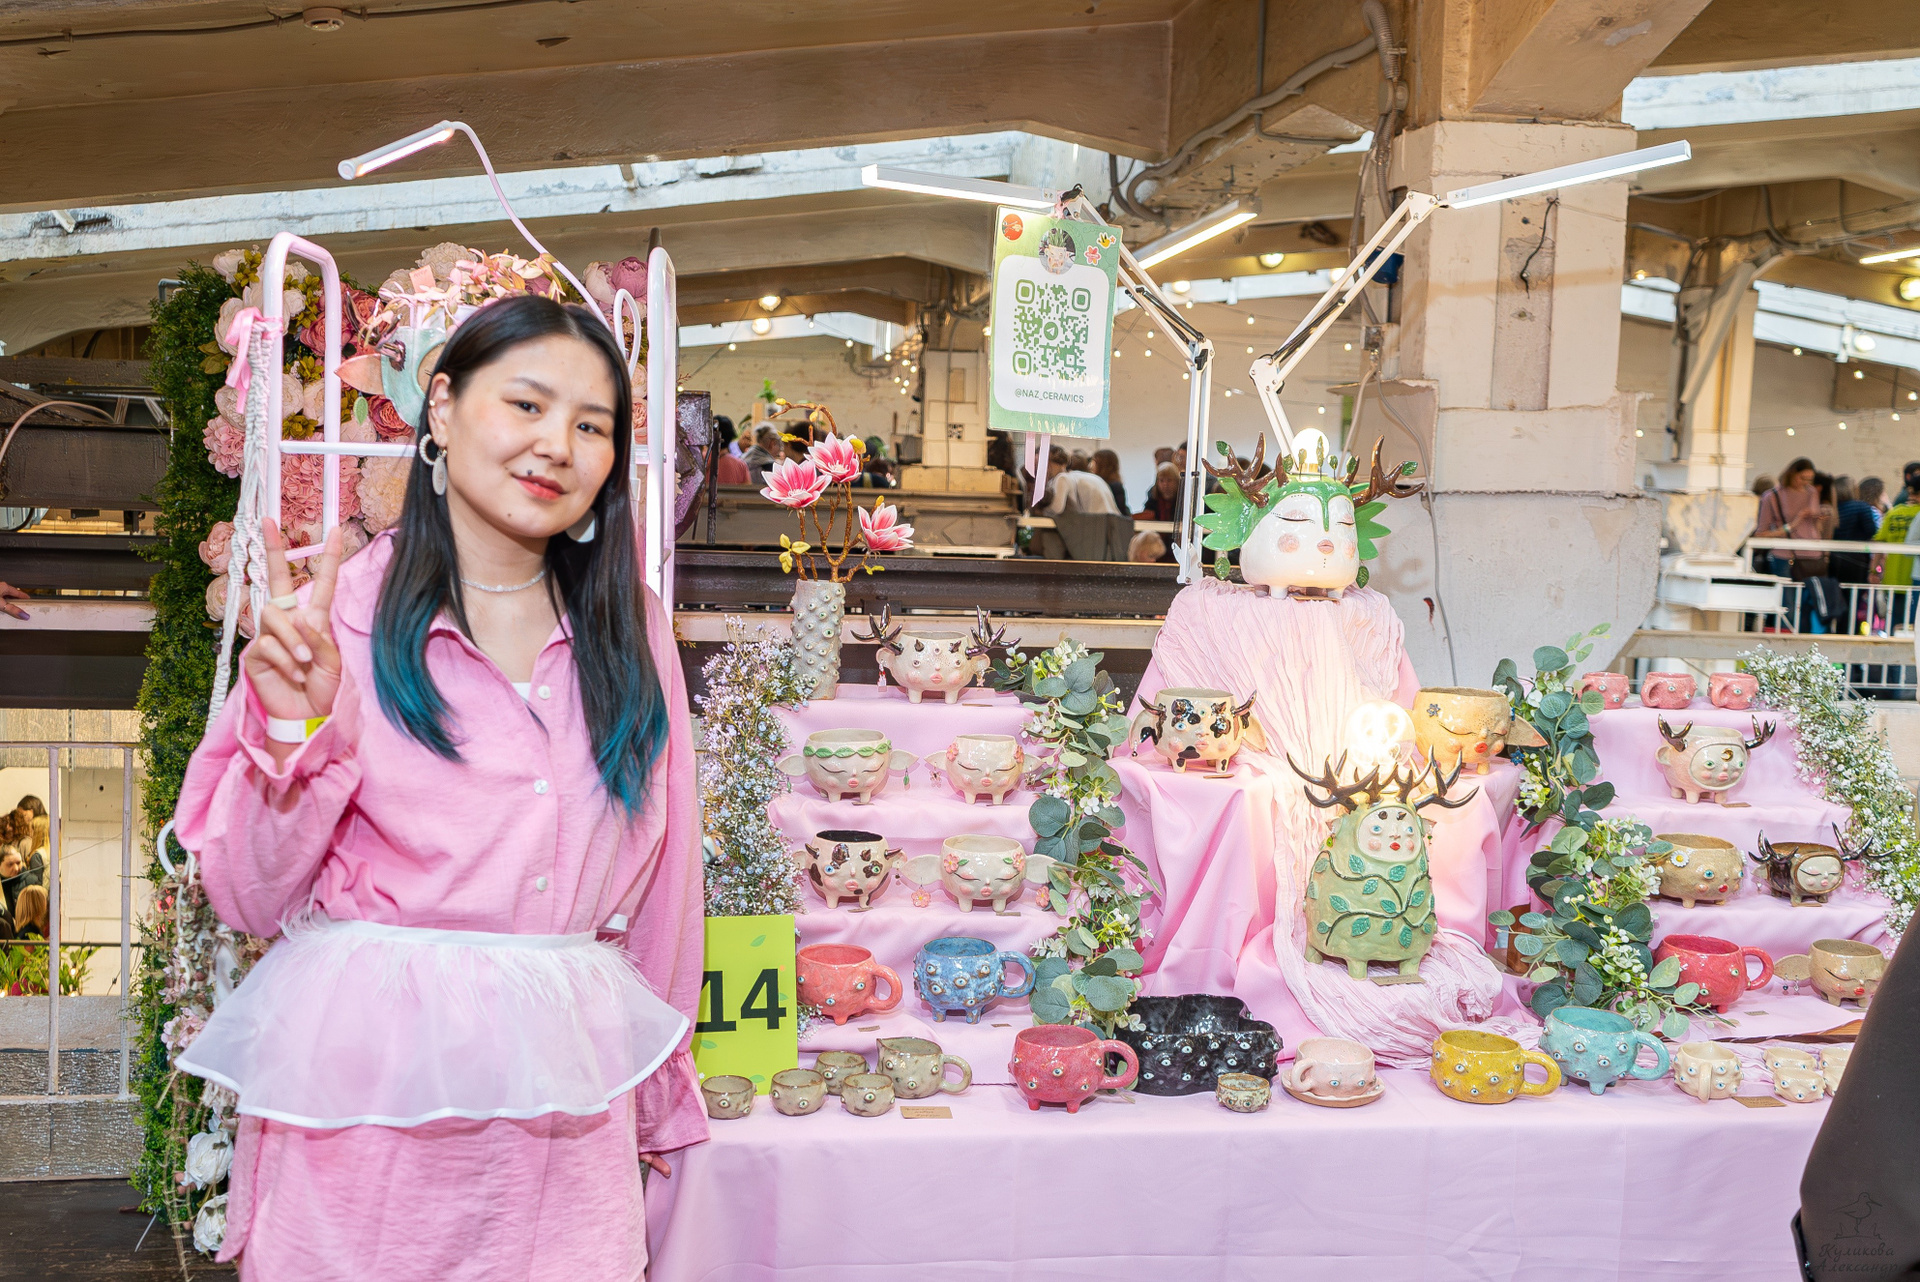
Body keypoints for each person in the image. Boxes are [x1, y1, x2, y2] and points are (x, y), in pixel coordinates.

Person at [172, 295, 706, 1278]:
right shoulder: (339, 619)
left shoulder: (631, 629)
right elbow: (245, 895)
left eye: (592, 426)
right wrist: (292, 727)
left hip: (564, 1142)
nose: (558, 446)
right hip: (367, 1131)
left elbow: (668, 887)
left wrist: (660, 1101)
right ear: (444, 408)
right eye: (528, 405)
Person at [1756, 458, 1834, 579]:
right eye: (1802, 478)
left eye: (1810, 480)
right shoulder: (1772, 496)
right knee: (1788, 590)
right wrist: (1793, 524)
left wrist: (1819, 517)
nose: (1805, 483)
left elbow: (1815, 526)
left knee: (1811, 590)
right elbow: (1761, 533)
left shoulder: (1812, 492)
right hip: (1785, 555)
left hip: (1813, 554)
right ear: (1792, 474)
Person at [1036, 446, 1120, 516]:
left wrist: (1038, 511)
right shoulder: (1079, 476)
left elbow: (1057, 508)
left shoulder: (1062, 477)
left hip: (1096, 522)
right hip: (1109, 520)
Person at [1833, 477, 1883, 584]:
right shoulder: (1862, 507)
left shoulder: (1833, 508)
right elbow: (1872, 531)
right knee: (1856, 588)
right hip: (1857, 557)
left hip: (1835, 556)